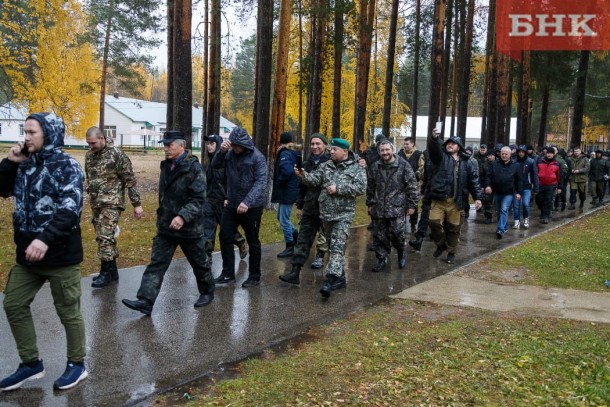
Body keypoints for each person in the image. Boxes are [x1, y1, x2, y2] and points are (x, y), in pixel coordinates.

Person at [0, 113, 88, 391]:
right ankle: (30, 364)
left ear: (48, 134)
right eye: (24, 132)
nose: (26, 137)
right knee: (13, 303)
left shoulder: (67, 166)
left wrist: (45, 239)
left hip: (60, 255)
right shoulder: (24, 164)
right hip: (28, 256)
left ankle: (77, 364)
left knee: (68, 312)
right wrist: (10, 162)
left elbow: (70, 210)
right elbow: (2, 189)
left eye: (32, 132)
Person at [122, 130, 214, 315]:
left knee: (200, 263)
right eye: (164, 144)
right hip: (166, 226)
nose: (165, 148)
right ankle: (146, 301)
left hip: (189, 228)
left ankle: (207, 292)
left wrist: (182, 216)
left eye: (169, 145)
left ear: (181, 146)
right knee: (157, 263)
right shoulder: (166, 165)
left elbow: (198, 199)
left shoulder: (195, 168)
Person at [295, 138, 366, 297]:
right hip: (326, 214)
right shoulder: (325, 165)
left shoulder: (356, 167)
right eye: (331, 149)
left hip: (344, 215)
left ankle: (330, 279)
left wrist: (338, 188)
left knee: (336, 246)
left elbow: (361, 188)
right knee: (332, 244)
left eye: (334, 149)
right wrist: (303, 175)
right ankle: (340, 278)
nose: (331, 152)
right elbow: (314, 180)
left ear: (344, 152)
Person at [84, 127, 144, 288]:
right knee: (104, 236)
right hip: (96, 202)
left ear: (102, 138)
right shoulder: (89, 155)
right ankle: (112, 271)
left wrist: (137, 205)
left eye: (93, 143)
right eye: (89, 143)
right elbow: (89, 177)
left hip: (112, 202)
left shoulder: (117, 154)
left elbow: (129, 180)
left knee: (104, 236)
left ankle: (105, 273)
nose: (91, 146)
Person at [211, 127, 267, 288]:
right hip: (232, 205)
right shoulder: (229, 154)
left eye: (237, 145)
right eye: (232, 145)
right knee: (225, 236)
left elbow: (261, 182)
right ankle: (228, 273)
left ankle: (254, 276)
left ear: (244, 144)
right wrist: (221, 152)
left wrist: (247, 202)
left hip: (252, 207)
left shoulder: (257, 157)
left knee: (253, 241)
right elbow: (215, 166)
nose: (234, 148)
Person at [279, 133, 330, 285]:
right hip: (310, 207)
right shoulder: (306, 163)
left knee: (330, 240)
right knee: (302, 240)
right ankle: (295, 272)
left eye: (318, 144)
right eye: (312, 144)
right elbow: (301, 186)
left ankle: (333, 272)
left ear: (324, 145)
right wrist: (300, 205)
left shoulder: (331, 162)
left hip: (327, 208)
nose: (315, 147)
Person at [427, 129, 482, 264]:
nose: (449, 145)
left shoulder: (467, 162)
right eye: (448, 143)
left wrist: (478, 198)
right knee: (433, 222)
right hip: (439, 199)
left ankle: (451, 252)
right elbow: (434, 150)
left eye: (453, 143)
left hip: (456, 201)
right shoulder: (440, 158)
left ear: (459, 147)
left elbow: (473, 181)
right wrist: (434, 139)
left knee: (454, 228)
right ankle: (441, 244)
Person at [367, 139, 419, 272]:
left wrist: (412, 205)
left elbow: (412, 186)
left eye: (387, 150)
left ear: (393, 150)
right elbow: (370, 187)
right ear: (379, 152)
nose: (385, 152)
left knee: (398, 234)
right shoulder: (375, 166)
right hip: (379, 207)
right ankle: (381, 259)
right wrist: (370, 203)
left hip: (397, 207)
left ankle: (401, 252)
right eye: (382, 150)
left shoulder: (403, 165)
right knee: (379, 236)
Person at [202, 134, 248, 263]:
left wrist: (228, 197)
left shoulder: (227, 161)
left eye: (212, 143)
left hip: (223, 201)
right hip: (209, 201)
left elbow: (232, 181)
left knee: (227, 229)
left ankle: (240, 242)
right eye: (208, 143)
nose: (209, 146)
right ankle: (207, 256)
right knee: (207, 230)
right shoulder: (207, 162)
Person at [271, 132, 302, 258]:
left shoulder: (284, 153)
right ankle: (297, 237)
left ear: (281, 143)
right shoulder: (293, 153)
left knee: (284, 219)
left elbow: (287, 171)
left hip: (287, 191)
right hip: (289, 190)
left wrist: (279, 181)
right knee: (280, 217)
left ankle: (290, 246)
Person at [484, 146, 522, 239]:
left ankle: (500, 229)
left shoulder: (516, 165)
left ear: (510, 154)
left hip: (509, 192)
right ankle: (504, 226)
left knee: (504, 209)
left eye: (506, 154)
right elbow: (488, 176)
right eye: (502, 154)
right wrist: (488, 186)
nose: (504, 156)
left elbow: (519, 180)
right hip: (497, 191)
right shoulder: (494, 164)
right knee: (499, 211)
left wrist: (518, 192)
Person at [397, 137, 425, 232]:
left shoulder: (418, 154)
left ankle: (413, 224)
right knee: (400, 202)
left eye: (407, 144)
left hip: (414, 184)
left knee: (413, 203)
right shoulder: (400, 154)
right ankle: (401, 223)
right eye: (404, 144)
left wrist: (414, 176)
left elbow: (421, 168)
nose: (405, 146)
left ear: (412, 144)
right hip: (401, 183)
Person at [513, 145, 538, 229]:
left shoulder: (530, 162)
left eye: (522, 152)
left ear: (525, 152)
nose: (520, 153)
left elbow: (534, 175)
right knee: (516, 205)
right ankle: (516, 221)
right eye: (519, 152)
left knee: (525, 204)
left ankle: (526, 218)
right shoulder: (514, 161)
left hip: (526, 186)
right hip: (516, 187)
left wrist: (536, 188)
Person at [535, 147, 562, 224]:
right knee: (539, 199)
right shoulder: (540, 162)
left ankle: (545, 216)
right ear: (546, 153)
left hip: (551, 185)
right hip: (540, 184)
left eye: (551, 153)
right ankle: (542, 211)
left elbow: (560, 176)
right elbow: (535, 174)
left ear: (553, 154)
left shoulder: (557, 163)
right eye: (548, 153)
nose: (549, 154)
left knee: (548, 200)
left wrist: (560, 187)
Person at [474, 144, 493, 224]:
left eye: (484, 149)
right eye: (481, 149)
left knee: (487, 200)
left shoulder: (489, 159)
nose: (482, 150)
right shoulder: (475, 157)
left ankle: (488, 216)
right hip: (477, 181)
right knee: (477, 197)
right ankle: (478, 207)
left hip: (486, 181)